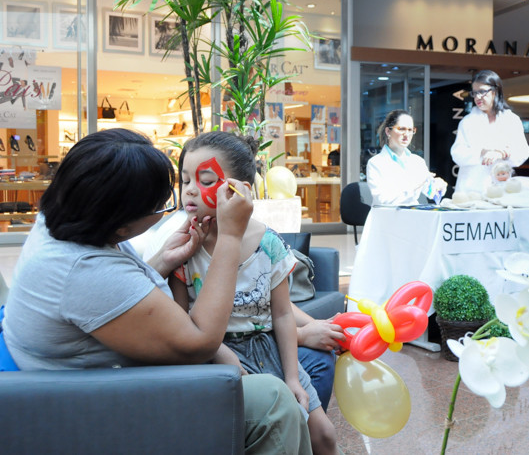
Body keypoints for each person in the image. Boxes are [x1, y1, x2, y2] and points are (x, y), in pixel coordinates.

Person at [0, 129, 310, 453]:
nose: (184, 198)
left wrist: (162, 260)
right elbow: (200, 343)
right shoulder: (83, 270)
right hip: (85, 407)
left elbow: (121, 297)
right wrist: (231, 237)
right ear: (121, 224)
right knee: (273, 402)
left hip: (66, 380)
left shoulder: (66, 220)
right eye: (162, 204)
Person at [172, 131, 338, 454]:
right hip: (215, 357)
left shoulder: (269, 243)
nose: (190, 189)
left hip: (270, 350)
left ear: (241, 190)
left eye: (205, 180)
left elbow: (283, 314)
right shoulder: (185, 247)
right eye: (185, 179)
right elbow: (181, 321)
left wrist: (293, 377)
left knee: (324, 436)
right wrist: (219, 353)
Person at [450, 70, 529, 194]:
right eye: (474, 93)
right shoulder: (467, 122)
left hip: (501, 187)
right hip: (472, 188)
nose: (477, 97)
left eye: (482, 91)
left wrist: (501, 153)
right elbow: (457, 154)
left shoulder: (511, 120)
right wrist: (482, 152)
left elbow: (523, 152)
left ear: (495, 91)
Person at [366, 109, 447, 205]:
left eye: (410, 130)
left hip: (412, 213)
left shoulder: (417, 161)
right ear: (388, 131)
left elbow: (431, 193)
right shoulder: (375, 163)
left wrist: (438, 186)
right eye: (402, 129)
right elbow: (383, 200)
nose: (407, 134)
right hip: (387, 213)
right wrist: (416, 184)